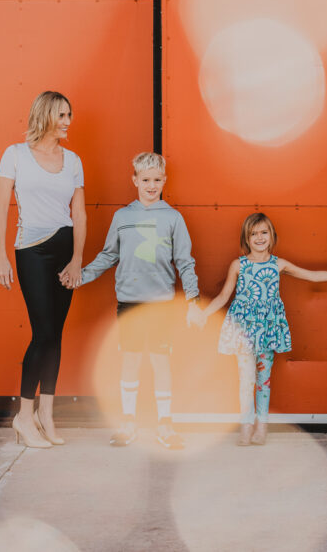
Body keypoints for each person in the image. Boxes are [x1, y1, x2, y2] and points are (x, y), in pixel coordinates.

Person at [77, 152, 201, 450]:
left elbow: (185, 262)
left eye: (157, 180)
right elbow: (109, 255)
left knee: (161, 363)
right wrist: (82, 276)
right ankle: (128, 423)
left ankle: (165, 425)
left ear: (164, 181)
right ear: (135, 180)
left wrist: (193, 300)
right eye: (145, 180)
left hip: (160, 305)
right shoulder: (123, 217)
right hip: (130, 303)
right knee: (130, 361)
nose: (151, 185)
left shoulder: (173, 218)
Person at [197, 213, 327, 446]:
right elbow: (224, 296)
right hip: (245, 329)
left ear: (272, 235)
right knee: (246, 379)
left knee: (263, 379)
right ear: (246, 239)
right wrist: (204, 314)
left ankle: (262, 426)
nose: (259, 237)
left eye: (264, 232)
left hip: (267, 329)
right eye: (253, 234)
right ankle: (246, 425)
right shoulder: (239, 265)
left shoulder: (278, 264)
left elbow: (312, 276)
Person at [0, 90, 86, 449]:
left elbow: (79, 213)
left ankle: (46, 414)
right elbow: (1, 209)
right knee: (43, 333)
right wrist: (1, 257)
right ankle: (24, 415)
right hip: (31, 251)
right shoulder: (15, 155)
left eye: (69, 115)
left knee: (55, 335)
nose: (67, 122)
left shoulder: (73, 160)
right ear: (45, 115)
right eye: (61, 115)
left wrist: (77, 259)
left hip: (65, 251)